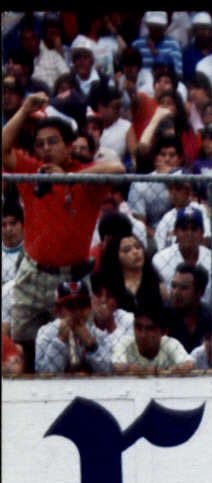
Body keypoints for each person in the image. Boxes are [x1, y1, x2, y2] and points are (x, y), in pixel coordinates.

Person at [2, 92, 125, 372]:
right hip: (33, 274)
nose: (45, 148)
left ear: (69, 146)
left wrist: (69, 178)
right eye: (40, 143)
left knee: (78, 348)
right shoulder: (33, 171)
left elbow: (118, 168)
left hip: (74, 279)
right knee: (23, 344)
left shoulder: (85, 175)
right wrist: (24, 109)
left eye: (53, 142)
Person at [152, 205, 212, 310]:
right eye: (184, 229)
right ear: (175, 232)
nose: (189, 233)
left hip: (207, 315)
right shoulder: (160, 260)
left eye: (194, 229)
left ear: (202, 233)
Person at [35, 278, 112, 374]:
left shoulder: (95, 333)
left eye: (82, 305)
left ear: (90, 307)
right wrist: (60, 341)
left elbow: (108, 371)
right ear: (58, 311)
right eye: (70, 306)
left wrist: (91, 346)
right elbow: (45, 375)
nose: (77, 312)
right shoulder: (46, 333)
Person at [111, 298, 193, 374]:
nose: (143, 335)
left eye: (150, 329)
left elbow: (188, 364)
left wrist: (162, 371)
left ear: (163, 332)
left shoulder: (170, 343)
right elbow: (117, 367)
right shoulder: (125, 342)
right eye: (138, 327)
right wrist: (149, 371)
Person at [96, 230, 165, 313]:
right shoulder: (107, 288)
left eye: (138, 247)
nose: (135, 252)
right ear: (115, 256)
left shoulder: (156, 283)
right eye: (127, 250)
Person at [167, 262, 212, 354]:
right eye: (174, 286)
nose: (176, 293)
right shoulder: (163, 317)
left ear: (200, 292)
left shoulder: (211, 319)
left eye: (184, 288)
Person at [2, 198, 24, 285]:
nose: (8, 229)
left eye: (13, 223)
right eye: (3, 225)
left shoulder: (32, 255)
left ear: (22, 225)